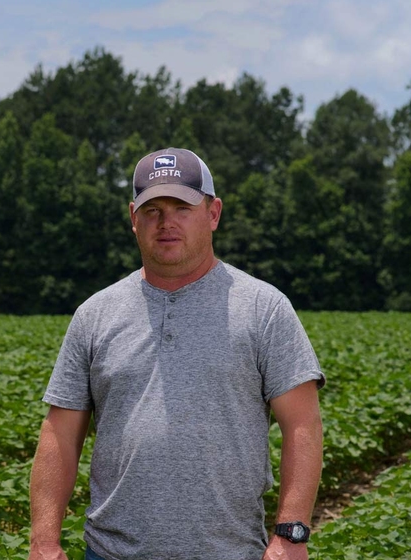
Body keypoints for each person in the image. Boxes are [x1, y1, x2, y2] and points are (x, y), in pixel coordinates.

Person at [28, 148, 325, 560]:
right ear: (134, 218)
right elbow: (59, 434)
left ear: (213, 213)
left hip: (230, 552)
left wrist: (291, 534)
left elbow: (303, 425)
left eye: (182, 208)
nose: (166, 223)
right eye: (152, 210)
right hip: (112, 552)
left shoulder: (263, 308)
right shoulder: (95, 315)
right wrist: (43, 541)